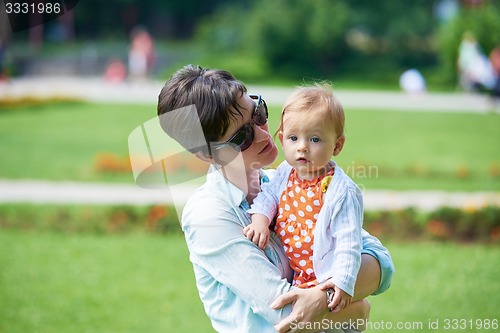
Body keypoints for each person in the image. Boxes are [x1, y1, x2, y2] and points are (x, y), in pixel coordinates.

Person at [156, 65, 395, 333]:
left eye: (259, 112)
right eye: (242, 137)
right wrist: (355, 308)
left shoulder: (287, 182)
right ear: (206, 155)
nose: (262, 133)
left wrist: (323, 298)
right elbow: (286, 314)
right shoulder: (208, 215)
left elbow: (379, 261)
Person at [245, 84, 367, 313]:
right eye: (293, 138)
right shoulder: (284, 173)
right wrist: (260, 219)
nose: (302, 147)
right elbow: (268, 196)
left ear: (337, 145)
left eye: (315, 139)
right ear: (282, 140)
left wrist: (344, 280)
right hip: (299, 277)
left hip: (326, 276)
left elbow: (349, 241)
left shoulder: (340, 191)